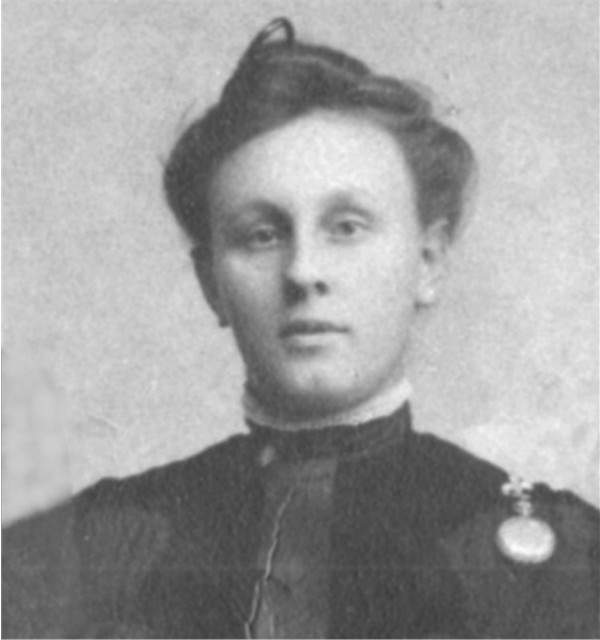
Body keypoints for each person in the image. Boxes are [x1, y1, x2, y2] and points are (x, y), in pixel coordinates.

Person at [2, 17, 598, 639]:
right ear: (211, 283)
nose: (304, 271)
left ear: (427, 262)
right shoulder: (89, 552)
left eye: (347, 227)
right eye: (261, 235)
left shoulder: (559, 567)